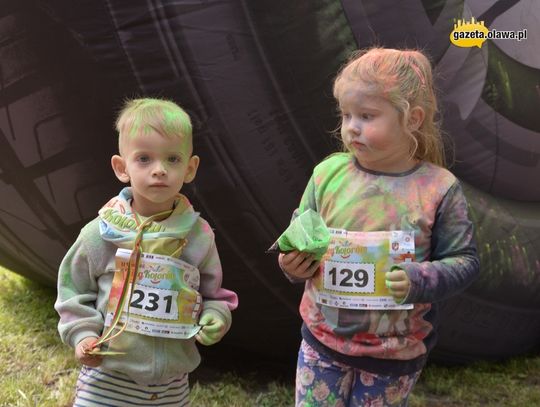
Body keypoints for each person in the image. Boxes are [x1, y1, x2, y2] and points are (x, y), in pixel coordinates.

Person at [278, 48, 479, 406]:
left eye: (367, 115)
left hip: (393, 357)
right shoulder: (327, 175)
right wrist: (292, 265)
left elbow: (465, 260)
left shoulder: (438, 188)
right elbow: (299, 238)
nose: (352, 126)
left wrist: (419, 279)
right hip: (321, 342)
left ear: (412, 118)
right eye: (346, 114)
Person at [55, 98, 238, 406]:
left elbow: (213, 295)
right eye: (144, 159)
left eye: (172, 159)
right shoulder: (99, 234)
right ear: (121, 167)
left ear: (190, 167)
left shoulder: (199, 236)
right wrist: (82, 334)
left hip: (169, 386)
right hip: (107, 379)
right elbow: (73, 290)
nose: (159, 170)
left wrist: (215, 315)